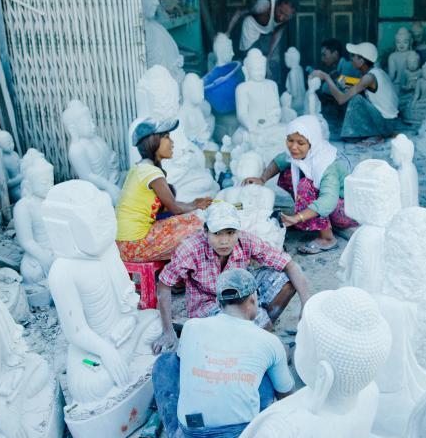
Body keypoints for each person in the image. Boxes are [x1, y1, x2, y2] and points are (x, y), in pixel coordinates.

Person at [152, 268, 295, 438]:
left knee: (165, 363)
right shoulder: (269, 342)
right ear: (253, 299)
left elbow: (180, 367)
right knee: (265, 375)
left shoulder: (192, 327)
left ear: (219, 303)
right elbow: (286, 397)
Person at [153, 202, 310, 352]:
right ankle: (256, 330)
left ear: (238, 231)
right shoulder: (190, 248)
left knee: (287, 278)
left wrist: (306, 305)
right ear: (205, 232)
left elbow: (290, 265)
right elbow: (164, 285)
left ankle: (261, 325)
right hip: (208, 303)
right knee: (250, 328)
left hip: (242, 293)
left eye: (230, 233)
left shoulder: (245, 240)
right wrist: (168, 331)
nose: (224, 241)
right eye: (217, 234)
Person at [244, 115, 358, 255]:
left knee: (305, 186)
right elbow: (279, 161)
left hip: (345, 212)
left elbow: (327, 202)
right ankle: (309, 218)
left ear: (312, 143)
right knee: (289, 173)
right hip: (329, 206)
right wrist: (262, 179)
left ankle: (327, 238)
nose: (293, 147)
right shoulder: (300, 153)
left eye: (300, 143)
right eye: (290, 140)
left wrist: (297, 218)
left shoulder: (326, 164)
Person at [115, 118, 212, 262]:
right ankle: (182, 276)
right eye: (166, 137)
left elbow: (168, 207)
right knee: (200, 230)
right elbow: (175, 208)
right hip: (133, 245)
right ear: (152, 142)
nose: (172, 142)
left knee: (189, 221)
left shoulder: (140, 169)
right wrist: (196, 204)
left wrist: (194, 204)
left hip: (125, 243)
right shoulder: (151, 172)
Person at [311, 41, 399, 141]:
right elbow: (356, 84)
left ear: (361, 61)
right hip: (390, 122)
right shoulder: (377, 72)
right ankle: (372, 133)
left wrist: (326, 77)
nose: (351, 59)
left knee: (355, 99)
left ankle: (359, 136)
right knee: (353, 94)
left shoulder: (368, 77)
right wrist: (340, 80)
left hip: (386, 125)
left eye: (354, 56)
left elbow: (341, 99)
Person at [226, 0, 299, 80]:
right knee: (251, 59)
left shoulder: (287, 17)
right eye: (280, 12)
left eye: (286, 16)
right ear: (278, 4)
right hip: (251, 27)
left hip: (266, 31)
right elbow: (239, 12)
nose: (281, 17)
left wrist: (268, 60)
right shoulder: (263, 5)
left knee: (271, 62)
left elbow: (276, 36)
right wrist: (227, 32)